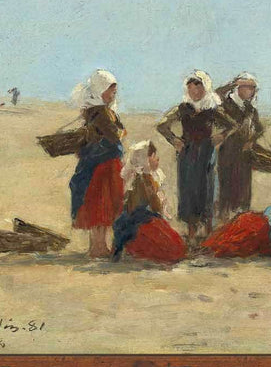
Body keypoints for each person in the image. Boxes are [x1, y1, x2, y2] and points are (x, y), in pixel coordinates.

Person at [156, 71, 235, 245]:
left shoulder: (212, 109)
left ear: (205, 88)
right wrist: (174, 139)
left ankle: (207, 232)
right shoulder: (183, 108)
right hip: (187, 153)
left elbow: (232, 125)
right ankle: (191, 233)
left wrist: (221, 136)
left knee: (207, 189)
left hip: (206, 152)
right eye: (191, 87)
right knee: (188, 190)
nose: (195, 91)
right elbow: (162, 125)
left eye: (198, 87)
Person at [68, 69, 126, 257]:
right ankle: (98, 247)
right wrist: (121, 132)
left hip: (104, 163)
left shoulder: (99, 110)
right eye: (110, 90)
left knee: (103, 207)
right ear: (100, 90)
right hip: (102, 165)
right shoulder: (100, 112)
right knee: (100, 206)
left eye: (114, 91)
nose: (113, 94)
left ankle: (99, 246)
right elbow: (116, 134)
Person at [111, 140, 186, 264]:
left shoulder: (141, 178)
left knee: (176, 245)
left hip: (138, 223)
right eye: (154, 156)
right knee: (176, 248)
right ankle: (137, 248)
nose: (157, 159)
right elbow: (156, 207)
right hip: (141, 225)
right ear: (146, 159)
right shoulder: (145, 180)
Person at [216, 72, 264, 221]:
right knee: (227, 187)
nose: (252, 91)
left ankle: (241, 221)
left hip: (244, 154)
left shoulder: (250, 109)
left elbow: (260, 128)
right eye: (249, 87)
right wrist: (233, 83)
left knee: (243, 188)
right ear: (239, 88)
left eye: (253, 88)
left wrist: (252, 140)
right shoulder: (226, 104)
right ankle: (224, 221)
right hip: (227, 151)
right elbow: (216, 94)